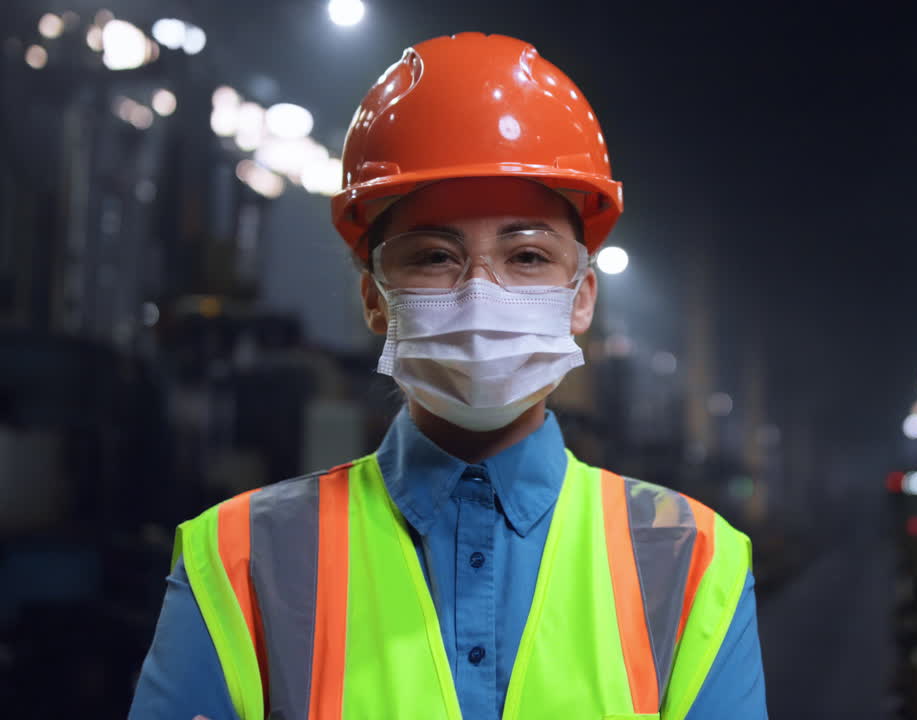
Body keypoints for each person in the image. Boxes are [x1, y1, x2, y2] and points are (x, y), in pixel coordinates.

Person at [127, 33, 767, 720]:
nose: (479, 294)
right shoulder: (236, 561)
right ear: (374, 297)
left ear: (582, 297)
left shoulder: (696, 563)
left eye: (525, 256)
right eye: (434, 256)